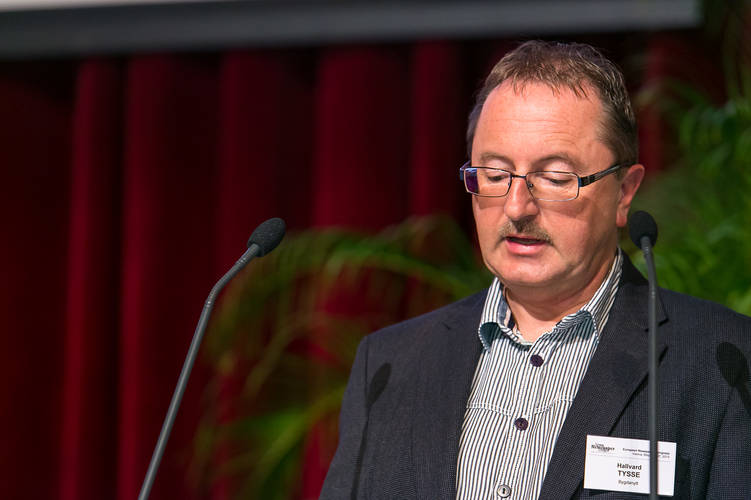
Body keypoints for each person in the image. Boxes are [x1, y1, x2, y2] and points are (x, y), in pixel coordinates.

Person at [319, 41, 751, 500]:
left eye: (554, 178)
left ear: (624, 192)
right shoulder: (390, 365)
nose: (516, 207)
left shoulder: (724, 363)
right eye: (494, 174)